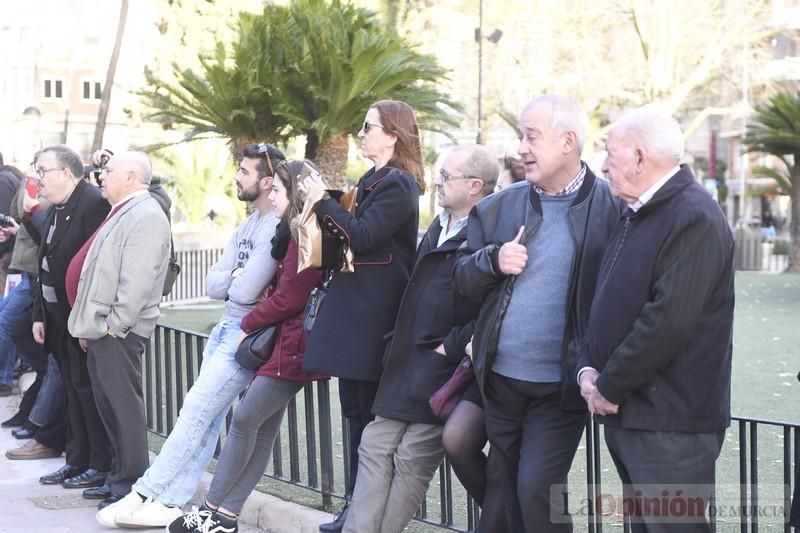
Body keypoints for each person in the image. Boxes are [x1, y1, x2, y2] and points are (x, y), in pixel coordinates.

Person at [452, 95, 620, 532]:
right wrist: (492, 260)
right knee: (506, 487)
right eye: (520, 136)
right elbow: (461, 280)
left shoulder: (613, 209)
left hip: (561, 386)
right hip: (501, 381)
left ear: (568, 141)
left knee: (536, 490)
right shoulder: (497, 207)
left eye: (532, 137)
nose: (521, 147)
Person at [96, 143, 284, 529]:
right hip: (225, 326)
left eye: (245, 172)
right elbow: (213, 283)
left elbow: (247, 291)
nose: (236, 177)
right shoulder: (247, 224)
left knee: (196, 412)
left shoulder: (275, 227)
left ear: (267, 181)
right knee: (204, 417)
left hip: (246, 334)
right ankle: (169, 499)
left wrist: (236, 280)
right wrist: (235, 280)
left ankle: (149, 491)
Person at [577, 107, 735, 533]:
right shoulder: (638, 212)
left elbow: (666, 322)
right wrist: (589, 369)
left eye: (611, 153)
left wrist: (608, 385)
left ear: (641, 158)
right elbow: (607, 301)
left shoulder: (692, 215)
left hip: (671, 423)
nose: (604, 165)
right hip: (635, 414)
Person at [342, 145, 497, 533]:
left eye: (447, 176)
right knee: (375, 444)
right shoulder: (439, 225)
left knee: (412, 457)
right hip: (406, 360)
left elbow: (494, 304)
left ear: (475, 186)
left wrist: (455, 343)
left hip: (443, 367)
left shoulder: (491, 231)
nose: (437, 182)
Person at [167, 160, 327, 533]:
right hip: (284, 342)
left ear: (297, 193)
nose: (271, 195)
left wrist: (249, 323)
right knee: (260, 428)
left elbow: (292, 296)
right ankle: (226, 515)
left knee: (243, 422)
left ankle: (213, 511)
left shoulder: (309, 233)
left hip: (292, 344)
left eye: (279, 190)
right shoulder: (295, 231)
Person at [299, 100, 425, 532]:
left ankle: (363, 513)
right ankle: (354, 509)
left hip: (374, 315)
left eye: (368, 127)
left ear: (392, 134)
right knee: (355, 412)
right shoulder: (372, 180)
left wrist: (323, 203)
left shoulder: (398, 184)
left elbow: (365, 236)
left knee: (369, 420)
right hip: (355, 310)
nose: (361, 133)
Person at [65, 151, 171, 512]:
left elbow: (136, 280)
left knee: (122, 406)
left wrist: (113, 327)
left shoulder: (145, 214)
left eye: (108, 171)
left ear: (130, 177)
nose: (101, 175)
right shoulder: (125, 210)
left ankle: (129, 485)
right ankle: (118, 476)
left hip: (119, 332)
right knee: (108, 405)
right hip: (103, 329)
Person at [6, 146, 113, 493]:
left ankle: (97, 464)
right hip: (55, 319)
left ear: (65, 173)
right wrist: (39, 315)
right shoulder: (56, 208)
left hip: (79, 319)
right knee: (70, 389)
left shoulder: (93, 202)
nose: (38, 179)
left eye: (43, 172)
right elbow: (45, 263)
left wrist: (84, 319)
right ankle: (76, 460)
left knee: (86, 391)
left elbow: (95, 267)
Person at [0, 158, 51, 438]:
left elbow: (34, 217)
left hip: (35, 272)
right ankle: (35, 388)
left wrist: (29, 184)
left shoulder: (42, 191)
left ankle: (31, 377)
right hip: (29, 270)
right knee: (11, 322)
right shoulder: (29, 186)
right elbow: (24, 218)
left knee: (10, 321)